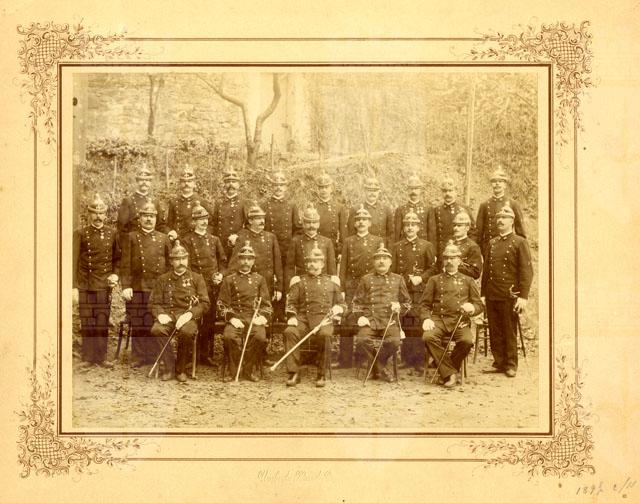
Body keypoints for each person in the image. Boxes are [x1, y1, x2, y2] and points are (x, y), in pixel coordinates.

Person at [421, 242, 483, 388]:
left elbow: (479, 305)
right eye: (446, 258)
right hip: (439, 319)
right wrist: (426, 318)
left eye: (453, 258)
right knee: (428, 337)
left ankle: (446, 369)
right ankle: (451, 373)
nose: (449, 261)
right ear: (443, 260)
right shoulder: (434, 280)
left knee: (467, 341)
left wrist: (472, 308)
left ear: (459, 260)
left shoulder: (468, 280)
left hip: (460, 321)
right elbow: (424, 304)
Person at [481, 205, 533, 378]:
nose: (500, 221)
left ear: (512, 221)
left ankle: (511, 364)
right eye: (498, 218)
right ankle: (499, 362)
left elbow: (526, 271)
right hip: (492, 293)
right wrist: (483, 294)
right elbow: (486, 270)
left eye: (504, 218)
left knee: (509, 330)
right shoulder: (492, 243)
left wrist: (523, 297)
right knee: (495, 330)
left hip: (509, 294)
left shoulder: (519, 242)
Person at [283, 245, 345, 387]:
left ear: (322, 264)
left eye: (315, 261)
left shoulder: (332, 282)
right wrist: (292, 316)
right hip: (303, 319)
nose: (312, 264)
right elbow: (291, 303)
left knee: (325, 335)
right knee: (290, 332)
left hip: (324, 319)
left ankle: (321, 373)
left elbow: (342, 304)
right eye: (309, 261)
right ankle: (293, 372)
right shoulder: (299, 281)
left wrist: (338, 308)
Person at [149, 240, 210, 382]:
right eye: (177, 259)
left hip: (188, 317)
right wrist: (160, 314)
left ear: (187, 259)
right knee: (157, 330)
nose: (181, 262)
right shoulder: (162, 279)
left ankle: (181, 368)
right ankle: (169, 366)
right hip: (168, 316)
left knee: (187, 332)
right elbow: (153, 303)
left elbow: (205, 303)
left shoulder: (197, 278)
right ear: (171, 262)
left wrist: (190, 314)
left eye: (183, 258)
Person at [120, 201, 172, 367]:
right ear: (140, 218)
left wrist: (169, 286)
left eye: (152, 216)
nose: (149, 219)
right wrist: (126, 286)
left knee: (155, 321)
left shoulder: (163, 238)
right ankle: (139, 355)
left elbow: (170, 264)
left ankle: (155, 355)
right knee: (139, 321)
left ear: (156, 219)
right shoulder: (131, 237)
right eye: (145, 216)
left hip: (158, 287)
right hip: (138, 286)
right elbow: (125, 263)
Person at [73, 193, 121, 368]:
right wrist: (74, 287)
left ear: (106, 215)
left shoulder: (112, 233)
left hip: (103, 283)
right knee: (87, 320)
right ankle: (87, 357)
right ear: (89, 214)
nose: (98, 217)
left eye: (101, 213)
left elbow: (117, 259)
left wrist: (115, 275)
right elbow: (73, 260)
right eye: (95, 213)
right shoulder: (80, 233)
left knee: (102, 320)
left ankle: (101, 357)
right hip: (85, 283)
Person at [353, 243, 411, 383]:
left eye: (385, 258)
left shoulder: (398, 279)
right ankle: (382, 368)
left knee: (395, 342)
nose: (381, 261)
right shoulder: (366, 279)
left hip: (390, 321)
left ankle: (376, 366)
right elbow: (356, 303)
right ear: (373, 262)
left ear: (390, 262)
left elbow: (407, 303)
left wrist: (399, 308)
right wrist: (360, 317)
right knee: (361, 340)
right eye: (378, 258)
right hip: (370, 320)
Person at [217, 242, 273, 382]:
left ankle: (248, 369)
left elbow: (266, 305)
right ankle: (233, 371)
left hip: (254, 317)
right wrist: (231, 318)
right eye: (243, 258)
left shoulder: (260, 280)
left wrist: (262, 317)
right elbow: (221, 304)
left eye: (249, 259)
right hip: (236, 317)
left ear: (253, 261)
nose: (246, 262)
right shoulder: (229, 280)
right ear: (238, 260)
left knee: (260, 337)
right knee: (229, 337)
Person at [181, 201, 228, 366]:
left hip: (212, 287)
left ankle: (206, 354)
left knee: (209, 321)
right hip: (194, 287)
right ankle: (190, 356)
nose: (203, 222)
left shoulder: (214, 240)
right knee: (193, 319)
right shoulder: (187, 240)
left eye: (206, 219)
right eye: (200, 219)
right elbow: (185, 266)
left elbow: (223, 262)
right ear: (193, 221)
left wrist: (220, 275)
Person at [390, 211, 437, 373]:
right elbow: (393, 270)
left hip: (419, 291)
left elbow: (433, 268)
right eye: (407, 225)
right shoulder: (397, 247)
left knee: (417, 323)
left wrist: (421, 278)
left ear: (418, 227)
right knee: (405, 322)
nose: (410, 228)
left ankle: (419, 360)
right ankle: (406, 358)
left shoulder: (427, 246)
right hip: (402, 291)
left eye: (413, 225)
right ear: (404, 227)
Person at [339, 205, 385, 368]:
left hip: (370, 286)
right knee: (347, 318)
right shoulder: (348, 241)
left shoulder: (377, 241)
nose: (361, 222)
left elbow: (381, 265)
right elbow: (343, 267)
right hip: (352, 285)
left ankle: (363, 358)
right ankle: (345, 360)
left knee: (366, 318)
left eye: (364, 220)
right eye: (358, 220)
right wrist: (342, 288)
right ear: (354, 223)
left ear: (370, 223)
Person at [262, 169, 301, 320]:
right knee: (271, 278)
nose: (278, 188)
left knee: (286, 279)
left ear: (285, 187)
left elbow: (297, 228)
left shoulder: (292, 205)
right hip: (269, 248)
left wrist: (293, 245)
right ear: (272, 186)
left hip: (287, 250)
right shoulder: (264, 205)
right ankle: (271, 311)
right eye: (275, 185)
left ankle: (285, 311)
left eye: (281, 185)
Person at [229, 203, 283, 302]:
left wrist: (279, 289)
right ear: (250, 221)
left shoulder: (271, 237)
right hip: (248, 285)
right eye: (258, 218)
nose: (262, 221)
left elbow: (278, 265)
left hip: (268, 285)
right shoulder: (242, 236)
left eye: (263, 218)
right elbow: (234, 264)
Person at [284, 205, 337, 289]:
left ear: (318, 224)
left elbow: (332, 270)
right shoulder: (295, 241)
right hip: (302, 285)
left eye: (314, 222)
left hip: (322, 286)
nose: (311, 225)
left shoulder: (327, 242)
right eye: (308, 222)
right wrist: (290, 288)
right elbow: (289, 268)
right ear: (303, 224)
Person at [475, 167, 527, 252]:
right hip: (488, 249)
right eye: (494, 181)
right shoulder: (484, 205)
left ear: (505, 185)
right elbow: (478, 234)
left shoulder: (513, 204)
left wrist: (519, 250)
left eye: (500, 181)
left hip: (507, 249)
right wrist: (479, 251)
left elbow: (520, 233)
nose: (497, 184)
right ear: (491, 184)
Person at [427, 176, 476, 254]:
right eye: (445, 191)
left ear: (456, 191)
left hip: (460, 251)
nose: (448, 194)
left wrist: (469, 250)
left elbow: (472, 232)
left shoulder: (464, 209)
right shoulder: (436, 210)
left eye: (450, 190)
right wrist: (434, 253)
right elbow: (432, 235)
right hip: (442, 252)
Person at [117, 164, 165, 241]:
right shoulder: (128, 201)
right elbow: (122, 228)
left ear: (150, 182)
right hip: (134, 241)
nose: (144, 182)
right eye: (141, 180)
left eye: (147, 180)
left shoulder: (155, 201)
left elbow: (160, 225)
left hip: (152, 241)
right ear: (137, 181)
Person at [166, 166, 214, 240]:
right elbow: (169, 225)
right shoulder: (174, 202)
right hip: (179, 240)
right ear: (180, 184)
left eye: (189, 181)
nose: (186, 184)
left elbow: (211, 224)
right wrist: (170, 232)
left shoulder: (202, 202)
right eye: (184, 181)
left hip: (196, 241)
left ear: (194, 183)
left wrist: (203, 236)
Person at [311, 171, 348, 264]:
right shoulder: (312, 207)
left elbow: (343, 232)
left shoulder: (339, 207)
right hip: (316, 246)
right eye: (321, 187)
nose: (324, 190)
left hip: (333, 248)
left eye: (326, 187)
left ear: (331, 188)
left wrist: (341, 250)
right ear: (317, 189)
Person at [212, 168, 249, 259]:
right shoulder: (219, 203)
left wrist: (238, 236)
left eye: (234, 182)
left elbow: (249, 225)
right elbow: (214, 224)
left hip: (237, 243)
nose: (231, 184)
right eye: (228, 182)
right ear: (224, 185)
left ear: (238, 185)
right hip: (220, 244)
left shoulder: (244, 203)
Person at [347, 176, 394, 246]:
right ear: (365, 191)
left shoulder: (386, 210)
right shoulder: (355, 209)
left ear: (379, 192)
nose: (372, 193)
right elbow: (351, 234)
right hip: (362, 246)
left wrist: (388, 250)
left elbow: (391, 234)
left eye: (375, 191)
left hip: (380, 247)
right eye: (369, 190)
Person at [443, 211, 483, 280]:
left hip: (463, 283)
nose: (455, 228)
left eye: (459, 226)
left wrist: (457, 265)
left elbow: (475, 273)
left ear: (467, 228)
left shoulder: (473, 247)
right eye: (454, 225)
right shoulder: (449, 244)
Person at [394, 174, 430, 242]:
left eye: (416, 189)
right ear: (407, 190)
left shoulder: (428, 209)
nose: (413, 191)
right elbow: (397, 234)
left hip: (423, 245)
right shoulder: (400, 210)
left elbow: (432, 234)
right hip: (405, 245)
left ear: (420, 190)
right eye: (411, 189)